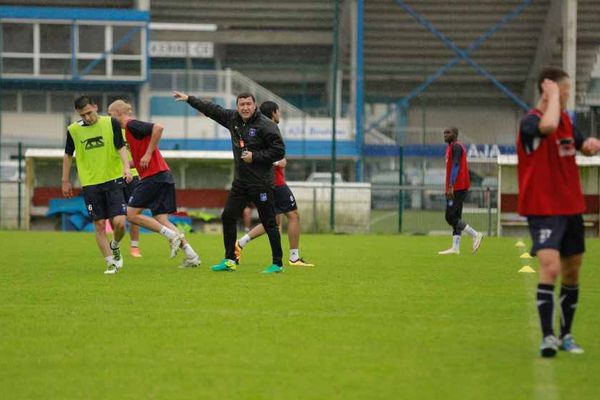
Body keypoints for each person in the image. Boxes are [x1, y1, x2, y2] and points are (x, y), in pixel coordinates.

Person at [517, 67, 600, 357]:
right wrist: (552, 96)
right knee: (550, 267)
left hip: (570, 206)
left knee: (572, 272)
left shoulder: (564, 120)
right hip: (543, 208)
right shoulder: (531, 122)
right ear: (548, 91)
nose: (567, 98)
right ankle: (547, 336)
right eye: (564, 92)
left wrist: (588, 146)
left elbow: (576, 144)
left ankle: (566, 335)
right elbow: (548, 127)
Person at [173, 91, 285, 274]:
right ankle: (230, 260)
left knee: (269, 222)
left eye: (248, 104)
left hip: (261, 183)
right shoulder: (233, 119)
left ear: (254, 105)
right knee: (228, 216)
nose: (245, 108)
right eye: (242, 105)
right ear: (237, 106)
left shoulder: (266, 125)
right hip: (241, 182)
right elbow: (212, 109)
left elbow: (279, 151)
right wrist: (189, 99)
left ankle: (277, 263)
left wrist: (255, 156)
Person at [107, 100, 200, 268]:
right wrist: (127, 166)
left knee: (131, 214)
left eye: (109, 114)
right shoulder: (127, 131)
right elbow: (140, 159)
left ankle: (171, 236)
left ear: (118, 112)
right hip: (162, 175)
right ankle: (191, 255)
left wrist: (148, 154)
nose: (108, 118)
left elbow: (158, 128)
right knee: (161, 219)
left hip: (154, 176)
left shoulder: (131, 125)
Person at [236, 101, 314, 267]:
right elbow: (259, 155)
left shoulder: (262, 128)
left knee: (273, 221)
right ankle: (294, 257)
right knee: (293, 215)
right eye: (278, 112)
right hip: (275, 182)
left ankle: (240, 243)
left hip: (270, 182)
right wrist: (278, 163)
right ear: (273, 113)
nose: (280, 115)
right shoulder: (267, 129)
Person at [61, 95, 133, 274]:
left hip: (113, 179)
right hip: (91, 184)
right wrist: (65, 180)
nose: (87, 118)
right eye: (82, 115)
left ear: (95, 106)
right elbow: (68, 155)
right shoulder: (73, 130)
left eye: (89, 113)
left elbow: (120, 147)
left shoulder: (111, 123)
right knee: (100, 225)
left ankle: (115, 245)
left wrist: (126, 167)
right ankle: (110, 263)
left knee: (120, 223)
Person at [438, 127, 483, 255]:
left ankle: (475, 234)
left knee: (450, 217)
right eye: (444, 133)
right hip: (454, 187)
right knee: (455, 217)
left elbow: (456, 165)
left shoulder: (456, 147)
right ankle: (455, 247)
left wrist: (451, 185)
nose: (445, 135)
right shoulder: (450, 147)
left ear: (455, 134)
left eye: (448, 133)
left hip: (458, 187)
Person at [122, 129, 143, 257]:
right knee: (117, 216)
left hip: (133, 177)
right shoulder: (109, 130)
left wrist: (127, 167)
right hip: (113, 177)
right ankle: (115, 244)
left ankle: (134, 247)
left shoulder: (134, 131)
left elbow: (140, 156)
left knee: (133, 213)